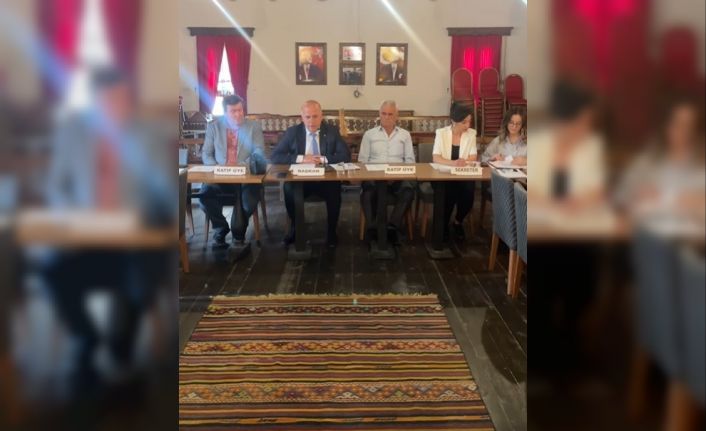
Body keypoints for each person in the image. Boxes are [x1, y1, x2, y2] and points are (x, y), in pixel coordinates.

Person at [271, 100, 351, 246]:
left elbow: (346, 155)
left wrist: (323, 159)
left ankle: (332, 231)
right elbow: (275, 156)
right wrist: (301, 159)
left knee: (335, 188)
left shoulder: (331, 131)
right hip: (301, 180)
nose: (311, 121)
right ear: (302, 117)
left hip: (325, 180)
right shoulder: (293, 132)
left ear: (321, 116)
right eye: (307, 117)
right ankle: (296, 228)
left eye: (315, 116)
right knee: (288, 188)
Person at [199, 95, 267, 247]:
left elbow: (258, 152)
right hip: (220, 177)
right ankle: (221, 228)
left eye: (240, 110)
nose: (238, 114)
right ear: (225, 113)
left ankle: (238, 233)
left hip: (246, 177)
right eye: (233, 111)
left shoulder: (254, 126)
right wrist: (217, 167)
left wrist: (241, 165)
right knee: (204, 196)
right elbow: (206, 154)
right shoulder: (214, 127)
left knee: (247, 202)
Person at [358, 100, 415, 243]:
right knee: (367, 193)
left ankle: (392, 227)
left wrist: (398, 175)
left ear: (396, 116)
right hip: (374, 177)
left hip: (398, 177)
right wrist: (375, 175)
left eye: (390, 114)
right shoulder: (369, 135)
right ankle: (372, 228)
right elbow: (362, 162)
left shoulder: (405, 135)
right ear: (379, 114)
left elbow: (410, 161)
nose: (387, 117)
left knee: (408, 191)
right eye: (384, 114)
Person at [432, 102, 478, 240]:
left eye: (469, 121)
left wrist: (463, 162)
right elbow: (436, 157)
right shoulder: (441, 133)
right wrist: (454, 163)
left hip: (463, 175)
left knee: (469, 193)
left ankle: (458, 222)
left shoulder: (471, 134)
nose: (467, 125)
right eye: (464, 122)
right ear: (454, 120)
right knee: (449, 192)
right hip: (443, 174)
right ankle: (443, 224)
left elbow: (473, 156)